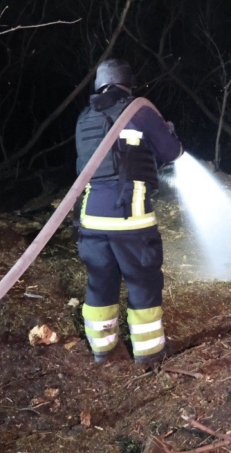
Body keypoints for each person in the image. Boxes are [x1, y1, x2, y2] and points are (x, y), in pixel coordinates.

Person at [74, 58, 183, 366]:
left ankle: (103, 350)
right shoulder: (140, 110)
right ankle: (149, 353)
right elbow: (172, 151)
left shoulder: (85, 117)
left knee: (100, 281)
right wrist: (166, 131)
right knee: (143, 282)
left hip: (90, 220)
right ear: (127, 85)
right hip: (129, 217)